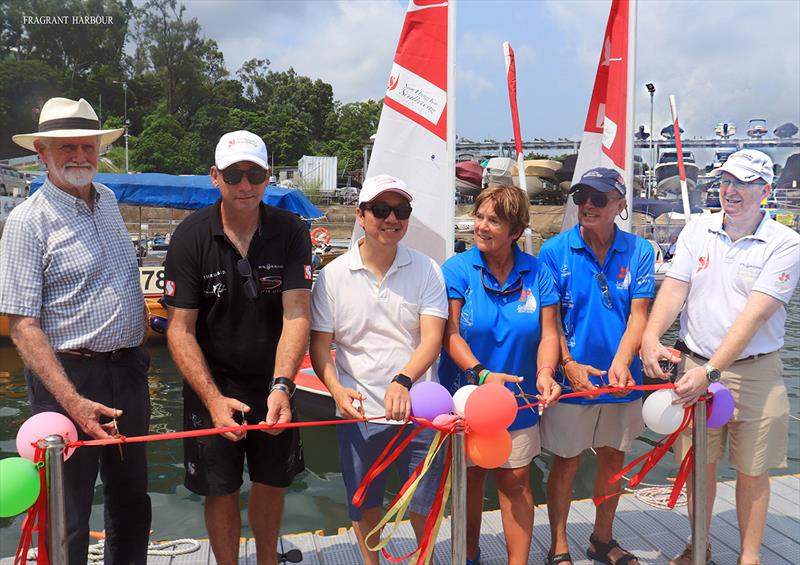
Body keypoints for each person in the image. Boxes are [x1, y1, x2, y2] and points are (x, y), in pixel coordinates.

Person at [0, 97, 151, 563]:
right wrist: (73, 403)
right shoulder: (27, 222)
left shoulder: (107, 200)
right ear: (42, 152)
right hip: (67, 377)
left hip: (127, 371)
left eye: (88, 146)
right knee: (67, 508)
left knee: (131, 501)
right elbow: (21, 325)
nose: (81, 156)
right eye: (67, 147)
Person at [640, 149, 799, 565]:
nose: (730, 191)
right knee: (698, 464)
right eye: (726, 181)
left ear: (765, 191)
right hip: (695, 364)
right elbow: (675, 288)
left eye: (743, 183)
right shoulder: (699, 229)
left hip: (753, 371)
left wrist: (711, 371)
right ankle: (699, 547)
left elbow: (756, 313)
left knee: (753, 468)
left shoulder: (786, 243)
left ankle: (749, 557)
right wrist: (651, 337)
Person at [164, 130, 311, 565]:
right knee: (219, 487)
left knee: (272, 482)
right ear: (215, 177)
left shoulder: (290, 231)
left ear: (268, 177)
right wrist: (211, 399)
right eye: (233, 174)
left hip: (274, 382)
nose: (244, 185)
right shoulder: (189, 237)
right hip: (212, 384)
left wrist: (282, 386)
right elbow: (179, 329)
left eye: (255, 174)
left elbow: (297, 313)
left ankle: (268, 560)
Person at [309, 174, 448, 565]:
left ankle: (424, 561)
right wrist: (336, 390)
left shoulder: (427, 270)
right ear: (361, 215)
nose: (392, 219)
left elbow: (431, 340)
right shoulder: (334, 276)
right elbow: (320, 345)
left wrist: (403, 380)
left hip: (420, 408)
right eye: (381, 210)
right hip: (359, 410)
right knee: (363, 502)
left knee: (424, 502)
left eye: (400, 211)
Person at [438, 184, 562, 565]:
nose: (482, 226)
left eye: (494, 220)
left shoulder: (537, 271)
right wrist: (482, 374)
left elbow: (549, 333)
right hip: (466, 399)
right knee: (470, 480)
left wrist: (546, 371)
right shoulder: (457, 269)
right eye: (479, 217)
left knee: (517, 480)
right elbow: (450, 335)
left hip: (518, 402)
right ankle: (468, 556)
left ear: (516, 230)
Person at [539, 167, 655, 565]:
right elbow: (549, 319)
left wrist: (623, 361)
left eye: (599, 197)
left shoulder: (639, 250)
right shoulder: (554, 251)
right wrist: (568, 364)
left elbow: (639, 316)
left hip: (623, 380)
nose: (588, 204)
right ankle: (558, 545)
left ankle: (602, 540)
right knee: (566, 460)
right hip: (572, 378)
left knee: (613, 456)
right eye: (581, 196)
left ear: (620, 205)